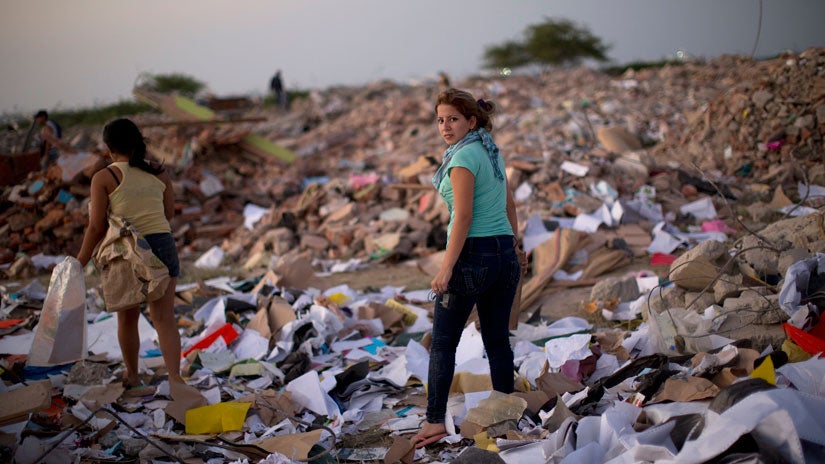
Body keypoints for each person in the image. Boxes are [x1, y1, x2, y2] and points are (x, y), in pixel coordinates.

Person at [413, 88, 526, 447]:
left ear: (471, 121)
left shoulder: (463, 159)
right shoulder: (491, 152)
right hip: (503, 255)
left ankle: (433, 422)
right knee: (496, 340)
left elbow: (463, 216)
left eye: (453, 119)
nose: (445, 127)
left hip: (472, 257)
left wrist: (446, 269)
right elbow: (509, 204)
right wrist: (515, 244)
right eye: (440, 120)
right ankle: (508, 413)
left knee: (444, 343)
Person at [76, 118, 183, 387]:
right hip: (162, 243)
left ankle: (133, 376)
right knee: (164, 318)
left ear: (109, 148)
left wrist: (80, 261)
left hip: (126, 249)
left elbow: (96, 226)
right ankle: (175, 378)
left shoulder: (105, 177)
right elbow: (168, 214)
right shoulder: (159, 172)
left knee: (127, 318)